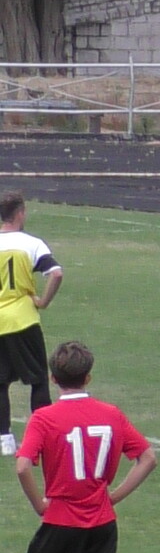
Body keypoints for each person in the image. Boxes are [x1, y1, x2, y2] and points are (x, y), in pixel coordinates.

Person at [4, 341, 156, 553]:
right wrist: (113, 495)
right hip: (101, 523)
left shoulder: (45, 417)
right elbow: (147, 458)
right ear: (89, 376)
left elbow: (23, 465)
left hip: (59, 521)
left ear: (53, 379)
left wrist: (38, 504)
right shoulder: (111, 414)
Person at [0, 194, 62, 458]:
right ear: (20, 213)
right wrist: (43, 301)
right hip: (24, 320)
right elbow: (56, 273)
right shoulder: (31, 244)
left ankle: (4, 439)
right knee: (38, 380)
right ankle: (41, 438)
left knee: (0, 383)